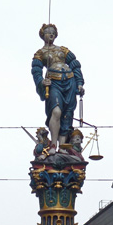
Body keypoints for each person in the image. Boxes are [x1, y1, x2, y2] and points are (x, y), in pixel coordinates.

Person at [31, 24, 85, 152]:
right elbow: (36, 71)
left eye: (53, 32)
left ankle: (62, 146)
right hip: (54, 83)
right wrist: (42, 81)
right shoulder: (40, 53)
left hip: (69, 81)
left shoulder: (63, 50)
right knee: (56, 112)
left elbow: (74, 65)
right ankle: (53, 144)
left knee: (67, 114)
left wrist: (79, 82)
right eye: (48, 32)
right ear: (43, 35)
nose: (51, 34)